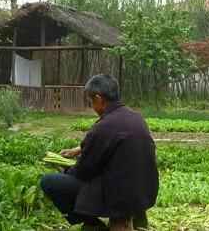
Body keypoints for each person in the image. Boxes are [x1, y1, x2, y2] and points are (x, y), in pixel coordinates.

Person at [40, 74, 159, 231]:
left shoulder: (103, 127)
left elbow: (83, 171)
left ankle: (93, 224)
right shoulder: (136, 117)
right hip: (144, 192)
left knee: (50, 182)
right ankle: (136, 216)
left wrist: (66, 170)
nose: (92, 107)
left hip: (119, 197)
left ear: (98, 99)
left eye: (91, 102)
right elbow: (116, 143)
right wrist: (79, 149)